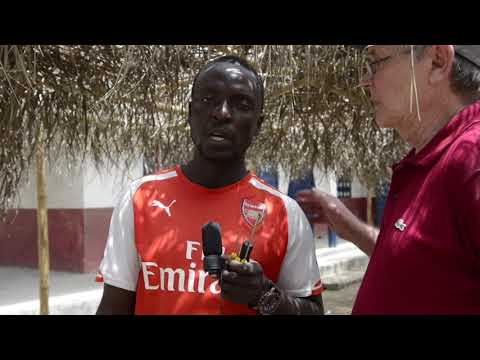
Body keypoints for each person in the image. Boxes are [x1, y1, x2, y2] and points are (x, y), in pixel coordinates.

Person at [96, 55, 324, 315]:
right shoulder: (140, 198)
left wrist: (264, 296)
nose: (222, 113)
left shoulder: (285, 214)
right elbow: (113, 308)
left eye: (241, 103)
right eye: (208, 100)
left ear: (258, 125)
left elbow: (313, 311)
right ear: (191, 113)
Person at [297, 45, 480, 315]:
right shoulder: (430, 161)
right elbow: (425, 266)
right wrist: (349, 226)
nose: (364, 81)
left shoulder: (471, 160)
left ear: (437, 62)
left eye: (376, 62)